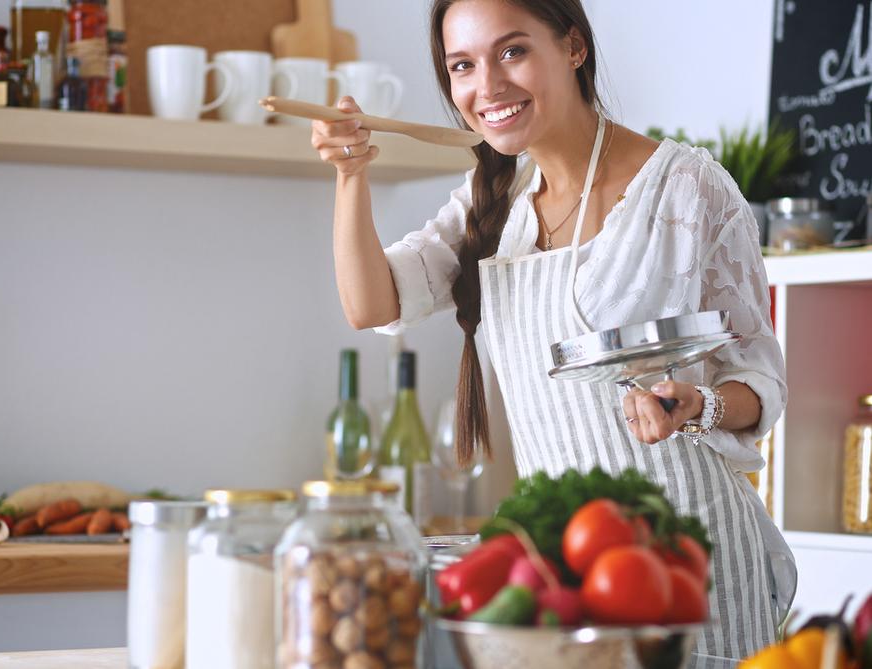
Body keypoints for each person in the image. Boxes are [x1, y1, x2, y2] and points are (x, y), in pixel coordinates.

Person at [311, 0, 794, 658]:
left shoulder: (685, 189)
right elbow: (372, 303)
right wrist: (349, 176)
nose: (487, 86)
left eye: (512, 51)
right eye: (462, 66)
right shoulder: (492, 198)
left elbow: (759, 378)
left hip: (691, 561)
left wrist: (699, 403)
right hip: (570, 566)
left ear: (572, 47)